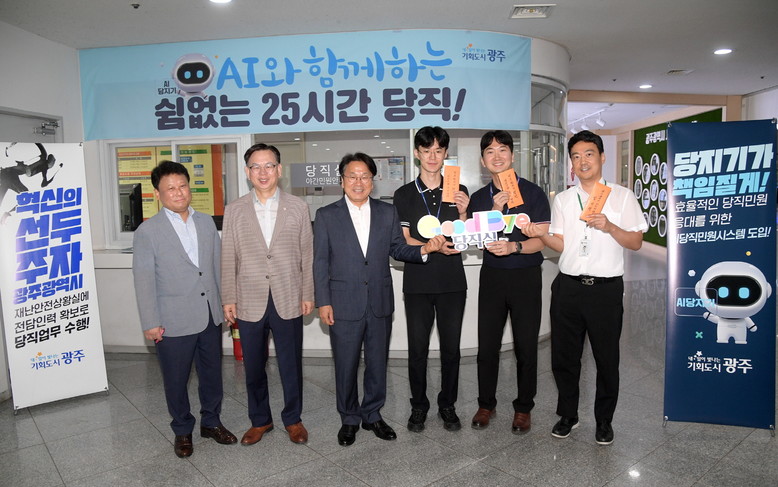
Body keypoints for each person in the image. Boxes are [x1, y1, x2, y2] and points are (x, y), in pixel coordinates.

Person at [313, 152, 446, 446]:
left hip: (379, 302)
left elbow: (398, 249)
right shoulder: (326, 215)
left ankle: (372, 414)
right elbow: (320, 262)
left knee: (376, 363)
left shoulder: (387, 212)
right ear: (342, 180)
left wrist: (424, 249)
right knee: (345, 365)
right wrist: (323, 301)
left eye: (365, 176)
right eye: (352, 176)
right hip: (342, 303)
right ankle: (349, 418)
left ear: (373, 181)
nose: (358, 182)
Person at [524, 130, 647, 445]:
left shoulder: (622, 196)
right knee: (564, 358)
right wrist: (538, 234)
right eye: (576, 156)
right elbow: (560, 244)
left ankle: (604, 421)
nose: (582, 161)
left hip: (605, 290)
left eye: (589, 154)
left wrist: (610, 226)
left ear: (602, 157)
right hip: (568, 287)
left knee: (606, 359)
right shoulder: (564, 199)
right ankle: (568, 415)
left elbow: (635, 242)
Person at [132, 160, 237, 458]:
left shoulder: (205, 222)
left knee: (212, 375)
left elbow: (216, 266)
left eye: (182, 186)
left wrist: (225, 303)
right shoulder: (148, 231)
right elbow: (143, 279)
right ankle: (182, 429)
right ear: (158, 194)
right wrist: (150, 321)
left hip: (209, 314)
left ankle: (211, 422)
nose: (178, 193)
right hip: (172, 319)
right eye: (170, 188)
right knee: (176, 379)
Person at [221, 143, 314, 446]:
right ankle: (260, 420)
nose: (263, 172)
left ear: (279, 169)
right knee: (253, 366)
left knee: (291, 364)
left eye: (269, 165)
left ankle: (293, 419)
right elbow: (228, 256)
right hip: (248, 298)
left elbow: (307, 254)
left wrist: (308, 292)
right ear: (247, 172)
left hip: (288, 295)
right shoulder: (234, 210)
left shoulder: (298, 207)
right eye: (256, 167)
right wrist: (228, 297)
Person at [467, 130, 550, 434]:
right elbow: (477, 242)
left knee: (526, 346)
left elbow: (542, 240)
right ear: (483, 160)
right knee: (487, 345)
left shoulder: (534, 193)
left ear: (513, 156)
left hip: (525, 275)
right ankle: (486, 404)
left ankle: (524, 408)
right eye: (490, 151)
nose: (497, 156)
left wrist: (515, 246)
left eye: (502, 150)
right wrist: (495, 212)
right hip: (492, 276)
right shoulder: (479, 198)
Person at [392, 126, 469, 432]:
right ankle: (419, 406)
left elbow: (463, 238)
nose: (433, 157)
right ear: (417, 154)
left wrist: (463, 213)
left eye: (438, 150)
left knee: (451, 348)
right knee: (418, 349)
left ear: (446, 153)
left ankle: (448, 404)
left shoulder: (458, 189)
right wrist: (430, 246)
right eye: (426, 151)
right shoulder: (404, 194)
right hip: (418, 282)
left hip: (452, 281)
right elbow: (404, 239)